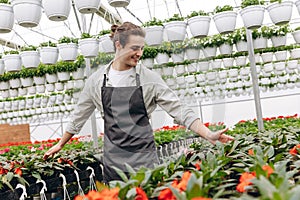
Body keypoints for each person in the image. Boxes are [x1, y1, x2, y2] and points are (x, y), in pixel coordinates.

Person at [43, 22, 234, 183]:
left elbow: (179, 110)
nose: (140, 53)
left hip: (145, 159)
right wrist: (61, 144)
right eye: (135, 48)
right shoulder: (96, 81)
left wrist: (207, 134)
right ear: (118, 45)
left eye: (142, 48)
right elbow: (79, 115)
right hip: (114, 161)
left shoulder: (148, 78)